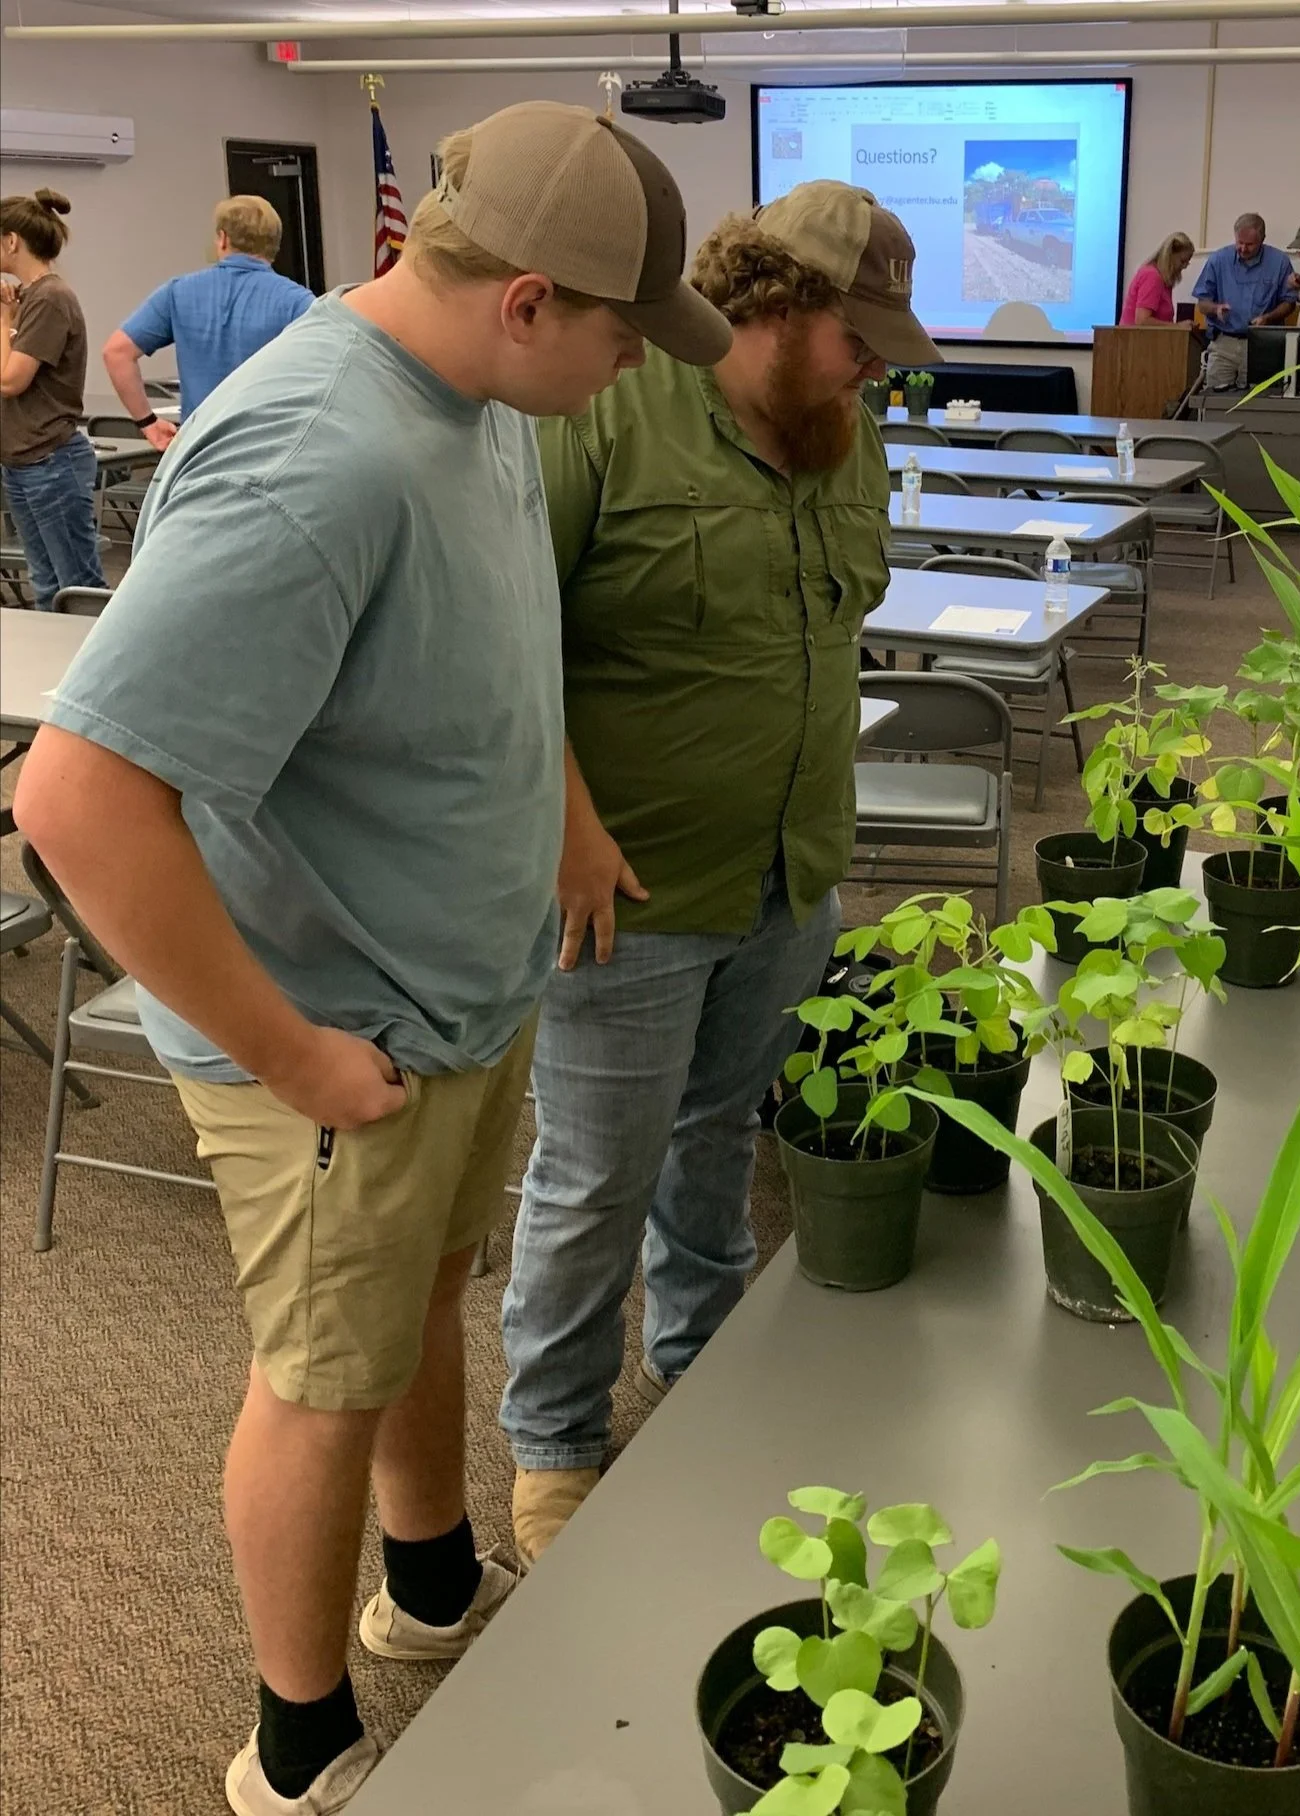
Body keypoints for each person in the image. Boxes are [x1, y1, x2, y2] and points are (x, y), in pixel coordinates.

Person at [13, 101, 729, 1816]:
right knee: (322, 1377)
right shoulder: (313, 453)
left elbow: (496, 628)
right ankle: (298, 1742)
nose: (640, 369)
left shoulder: (471, 396)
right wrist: (288, 1052)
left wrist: (553, 803)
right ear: (533, 299)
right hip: (330, 1025)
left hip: (448, 993)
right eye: (627, 334)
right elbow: (80, 796)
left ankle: (422, 1585)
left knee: (420, 1298)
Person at [501, 179, 935, 1566]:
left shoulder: (843, 433)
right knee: (593, 1179)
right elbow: (510, 645)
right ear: (775, 302)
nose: (876, 362)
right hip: (626, 881)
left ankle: (699, 1364)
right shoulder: (608, 410)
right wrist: (565, 825)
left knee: (718, 1138)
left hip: (791, 865)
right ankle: (557, 1436)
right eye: (858, 333)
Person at [102, 194, 314, 451]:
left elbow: (116, 353)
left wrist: (148, 422)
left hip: (199, 451)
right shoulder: (298, 302)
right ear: (274, 243)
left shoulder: (178, 292)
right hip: (269, 450)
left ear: (223, 239)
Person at [1, 188, 105, 608]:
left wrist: (3, 318)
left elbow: (10, 380)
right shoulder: (29, 298)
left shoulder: (50, 298)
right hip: (23, 463)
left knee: (76, 585)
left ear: (12, 241)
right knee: (46, 586)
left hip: (51, 463)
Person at [1192, 211, 1297, 391]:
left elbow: (1289, 303)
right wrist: (1215, 308)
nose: (1243, 248)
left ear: (1262, 240)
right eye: (1239, 242)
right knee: (1214, 400)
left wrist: (1268, 318)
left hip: (1263, 345)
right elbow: (1202, 302)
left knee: (1260, 403)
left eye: (1250, 244)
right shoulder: (1218, 260)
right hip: (1224, 343)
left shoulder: (1279, 262)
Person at [1120, 231, 1195, 326]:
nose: (1185, 266)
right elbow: (1142, 321)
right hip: (1136, 339)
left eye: (1187, 262)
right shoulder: (1152, 276)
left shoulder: (1164, 280)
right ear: (1170, 256)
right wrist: (1178, 327)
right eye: (1182, 261)